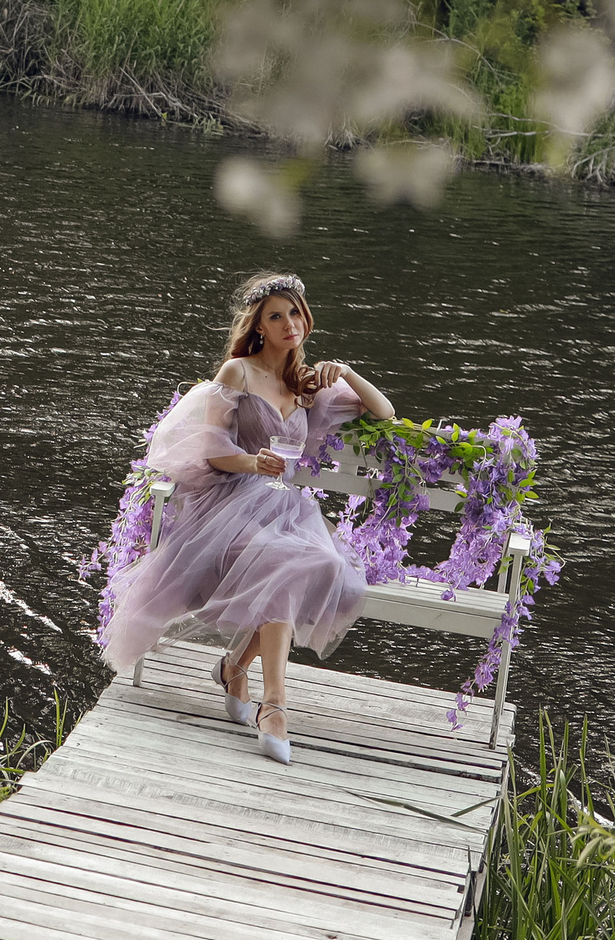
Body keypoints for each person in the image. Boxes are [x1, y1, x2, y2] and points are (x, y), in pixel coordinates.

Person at [97, 272, 396, 761]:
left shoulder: (305, 386)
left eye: (295, 313)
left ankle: (236, 666)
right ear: (258, 326)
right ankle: (274, 705)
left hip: (285, 506)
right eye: (275, 316)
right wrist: (251, 461)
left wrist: (344, 373)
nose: (288, 323)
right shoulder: (237, 372)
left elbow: (382, 413)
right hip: (229, 502)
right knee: (286, 561)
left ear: (306, 318)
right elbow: (211, 450)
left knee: (323, 564)